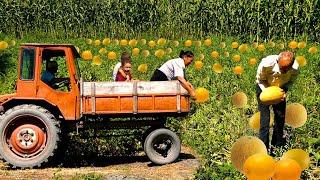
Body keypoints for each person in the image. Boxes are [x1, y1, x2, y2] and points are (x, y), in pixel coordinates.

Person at [256, 51, 299, 153]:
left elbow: (291, 81)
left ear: (292, 65)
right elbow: (260, 80)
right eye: (281, 68)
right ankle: (263, 148)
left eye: (286, 69)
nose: (283, 71)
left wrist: (284, 91)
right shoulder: (266, 64)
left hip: (280, 88)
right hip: (264, 87)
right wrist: (268, 93)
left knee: (280, 117)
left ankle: (276, 146)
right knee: (265, 119)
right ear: (277, 61)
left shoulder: (295, 68)